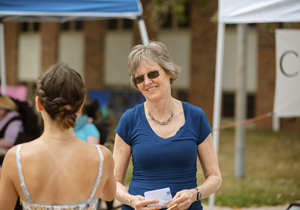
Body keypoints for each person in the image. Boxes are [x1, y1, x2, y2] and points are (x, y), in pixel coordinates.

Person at [113, 41, 222, 210]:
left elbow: (215, 177)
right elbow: (114, 182)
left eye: (153, 73)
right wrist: (131, 201)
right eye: (140, 78)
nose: (147, 82)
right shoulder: (129, 119)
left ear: (168, 72)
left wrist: (194, 194)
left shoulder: (195, 116)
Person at [0, 63, 116, 210]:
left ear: (38, 103)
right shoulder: (102, 156)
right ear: (80, 106)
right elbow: (108, 195)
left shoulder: (15, 157)